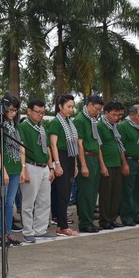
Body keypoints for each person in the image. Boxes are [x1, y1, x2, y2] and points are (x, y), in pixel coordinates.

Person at [18, 98, 56, 242]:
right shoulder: (23, 127)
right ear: (29, 111)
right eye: (37, 112)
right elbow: (21, 147)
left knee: (44, 200)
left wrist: (51, 166)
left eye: (42, 112)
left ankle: (40, 229)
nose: (40, 115)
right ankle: (28, 230)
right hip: (31, 165)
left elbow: (47, 147)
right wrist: (23, 169)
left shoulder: (42, 127)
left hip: (44, 166)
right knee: (29, 201)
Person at [0, 95, 24, 246]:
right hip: (3, 169)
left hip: (16, 168)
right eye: (10, 109)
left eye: (15, 110)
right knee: (0, 201)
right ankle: (0, 234)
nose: (13, 113)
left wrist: (23, 169)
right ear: (3, 108)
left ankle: (9, 233)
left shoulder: (16, 127)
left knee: (10, 203)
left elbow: (21, 147)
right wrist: (2, 171)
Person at [48, 94, 80, 236]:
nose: (71, 110)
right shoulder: (56, 122)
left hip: (70, 158)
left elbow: (74, 144)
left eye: (72, 107)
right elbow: (53, 145)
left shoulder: (69, 122)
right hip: (61, 157)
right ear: (60, 106)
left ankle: (63, 224)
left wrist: (76, 165)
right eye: (68, 106)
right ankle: (62, 226)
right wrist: (57, 164)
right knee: (62, 193)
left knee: (67, 193)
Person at [74, 95, 106, 232]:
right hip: (86, 157)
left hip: (94, 158)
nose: (97, 112)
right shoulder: (80, 120)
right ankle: (85, 222)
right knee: (86, 192)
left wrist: (102, 164)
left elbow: (98, 143)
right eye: (96, 109)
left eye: (100, 110)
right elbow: (79, 144)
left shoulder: (92, 120)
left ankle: (90, 220)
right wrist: (83, 164)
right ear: (90, 105)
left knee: (93, 192)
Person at [118, 104, 139, 225]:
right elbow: (120, 146)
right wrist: (124, 163)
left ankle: (136, 213)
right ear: (131, 115)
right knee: (128, 190)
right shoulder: (124, 126)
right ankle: (127, 216)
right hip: (130, 161)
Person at [97, 101, 128, 228]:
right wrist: (102, 165)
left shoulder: (114, 126)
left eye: (118, 115)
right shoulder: (100, 126)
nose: (116, 118)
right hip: (107, 164)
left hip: (116, 164)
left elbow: (119, 146)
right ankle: (104, 220)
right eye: (113, 115)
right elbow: (98, 147)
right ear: (106, 113)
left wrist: (124, 163)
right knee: (106, 194)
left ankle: (112, 218)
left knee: (116, 193)